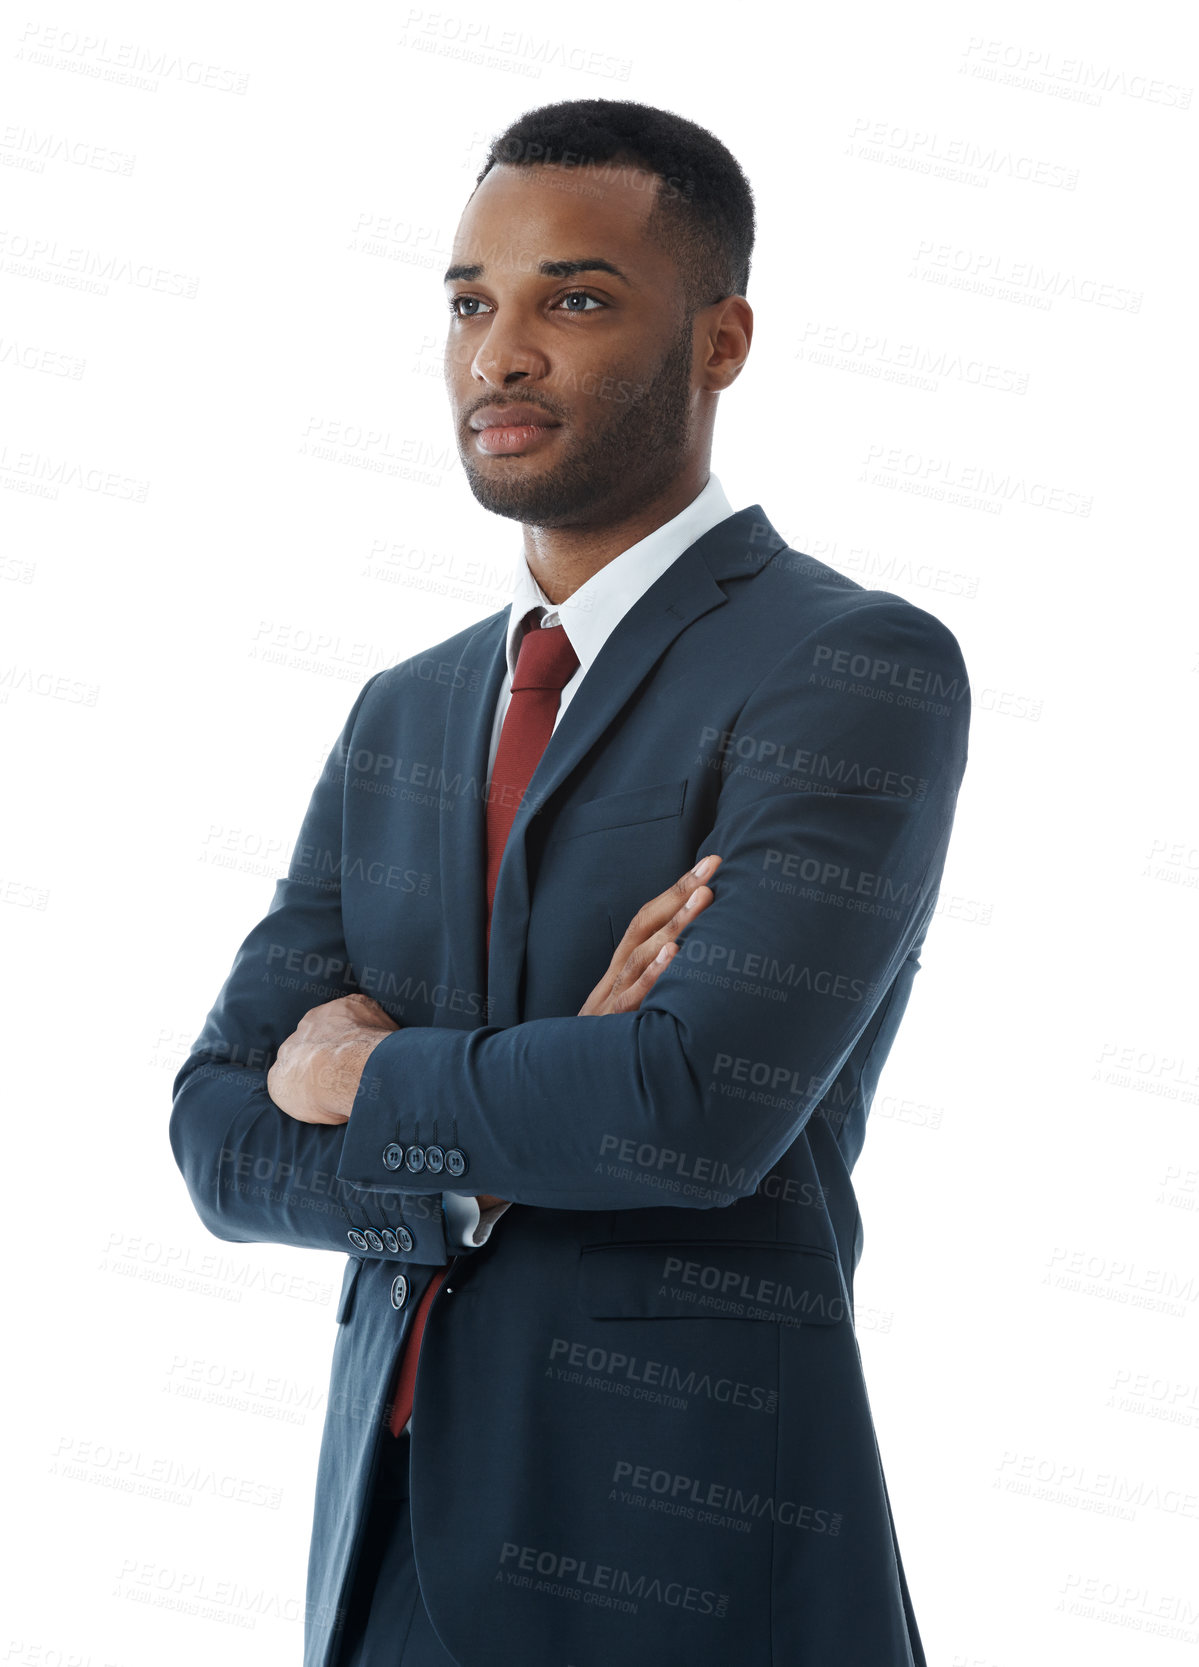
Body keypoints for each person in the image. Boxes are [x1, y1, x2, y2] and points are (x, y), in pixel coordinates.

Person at [170, 97, 970, 1667]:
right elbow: (215, 1131)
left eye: (574, 299)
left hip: (675, 1562)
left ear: (720, 340)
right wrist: (497, 1137)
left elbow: (689, 1110)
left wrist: (368, 1069)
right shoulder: (408, 707)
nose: (501, 352)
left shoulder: (846, 665)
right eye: (473, 302)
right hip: (384, 1558)